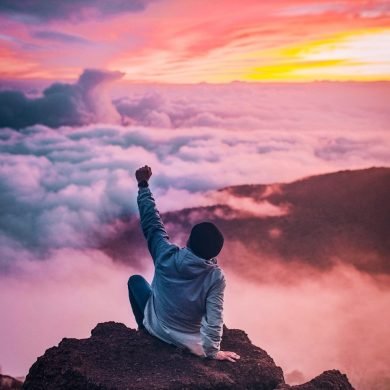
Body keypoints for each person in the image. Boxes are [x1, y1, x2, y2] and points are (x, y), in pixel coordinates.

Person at [127, 165, 240, 362]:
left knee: (136, 281)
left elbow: (152, 223)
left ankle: (143, 328)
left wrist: (143, 185)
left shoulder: (165, 255)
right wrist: (213, 352)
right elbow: (215, 319)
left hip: (157, 328)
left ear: (189, 241)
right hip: (189, 342)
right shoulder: (215, 277)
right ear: (214, 253)